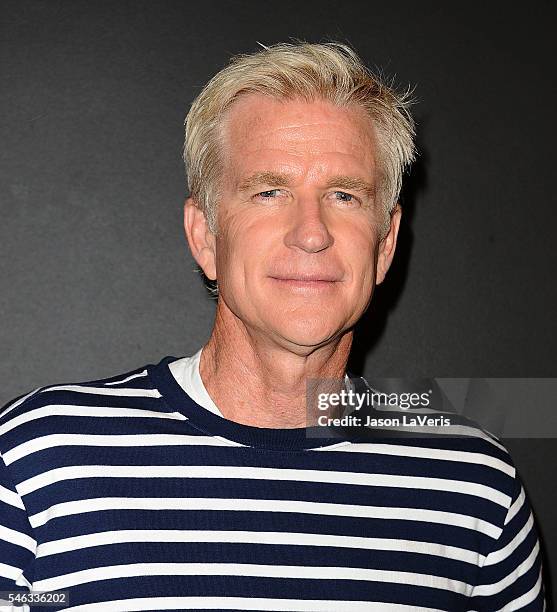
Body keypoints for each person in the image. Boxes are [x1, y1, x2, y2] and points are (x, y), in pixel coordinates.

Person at [0, 41, 545, 611]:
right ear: (205, 236)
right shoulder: (38, 460)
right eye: (269, 192)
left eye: (344, 195)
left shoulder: (475, 489)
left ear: (385, 244)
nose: (312, 233)